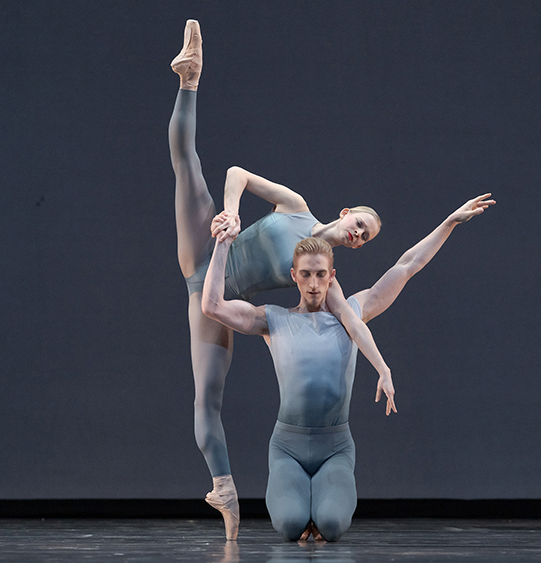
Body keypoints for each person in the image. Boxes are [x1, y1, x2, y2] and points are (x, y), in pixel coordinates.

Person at [169, 19, 395, 540]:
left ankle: (223, 488)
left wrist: (381, 366)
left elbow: (357, 326)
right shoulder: (295, 208)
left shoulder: (326, 279)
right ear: (345, 213)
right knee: (187, 166)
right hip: (211, 242)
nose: (359, 235)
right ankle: (190, 78)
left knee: (206, 398)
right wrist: (230, 215)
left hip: (215, 291)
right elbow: (238, 175)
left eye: (366, 238)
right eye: (359, 224)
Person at [201, 194, 495, 541]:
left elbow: (407, 265)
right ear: (294, 275)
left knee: (332, 525)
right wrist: (223, 243)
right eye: (306, 275)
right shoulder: (272, 319)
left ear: (332, 276)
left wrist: (449, 222)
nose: (313, 284)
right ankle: (301, 504)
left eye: (321, 275)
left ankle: (323, 503)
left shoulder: (354, 313)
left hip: (335, 446)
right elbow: (212, 306)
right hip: (287, 447)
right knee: (290, 526)